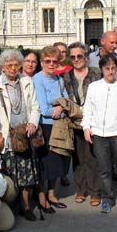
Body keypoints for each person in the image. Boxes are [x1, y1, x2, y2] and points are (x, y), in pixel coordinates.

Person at [0, 49, 41, 221]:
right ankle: (10, 206)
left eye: (16, 65)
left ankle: (25, 205)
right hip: (6, 135)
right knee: (9, 171)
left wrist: (32, 122)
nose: (13, 68)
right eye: (9, 65)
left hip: (24, 133)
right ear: (2, 66)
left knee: (26, 173)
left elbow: (34, 105)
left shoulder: (26, 81)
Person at [81, 54, 117, 217]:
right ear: (102, 69)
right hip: (99, 133)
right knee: (104, 169)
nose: (111, 71)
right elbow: (88, 109)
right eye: (107, 68)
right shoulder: (94, 87)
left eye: (113, 68)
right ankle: (106, 198)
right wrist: (86, 127)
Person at [61, 42, 101, 207]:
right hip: (75, 120)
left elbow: (112, 84)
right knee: (78, 157)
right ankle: (80, 189)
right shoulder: (66, 77)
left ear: (86, 57)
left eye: (80, 56)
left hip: (93, 120)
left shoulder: (96, 73)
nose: (76, 59)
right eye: (73, 57)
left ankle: (94, 191)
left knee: (92, 157)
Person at [33, 46, 72, 212]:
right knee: (46, 163)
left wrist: (61, 109)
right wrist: (59, 109)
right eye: (47, 61)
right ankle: (42, 196)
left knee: (58, 161)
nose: (51, 64)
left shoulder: (59, 79)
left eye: (54, 61)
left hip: (59, 127)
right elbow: (44, 109)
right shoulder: (38, 78)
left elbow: (67, 101)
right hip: (46, 126)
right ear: (42, 63)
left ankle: (51, 193)